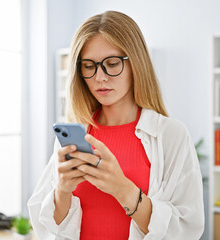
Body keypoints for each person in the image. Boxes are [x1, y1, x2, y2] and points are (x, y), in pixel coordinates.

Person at [28, 10, 204, 240]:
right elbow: (47, 228)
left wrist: (123, 190)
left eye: (112, 64)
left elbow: (188, 227)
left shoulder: (171, 134)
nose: (100, 77)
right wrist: (62, 190)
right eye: (89, 66)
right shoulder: (76, 135)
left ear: (136, 64)